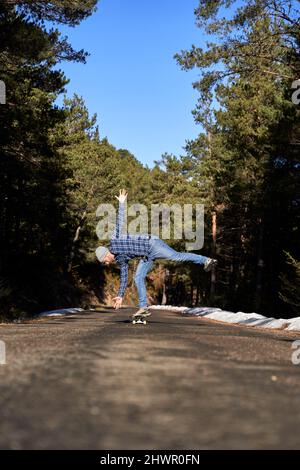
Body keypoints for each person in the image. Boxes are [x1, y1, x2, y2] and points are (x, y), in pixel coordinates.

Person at [96, 189, 217, 318]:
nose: (108, 263)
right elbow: (124, 276)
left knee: (176, 257)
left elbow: (120, 222)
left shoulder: (115, 241)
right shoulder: (120, 260)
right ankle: (143, 308)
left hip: (152, 244)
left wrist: (122, 203)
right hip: (146, 257)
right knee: (138, 277)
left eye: (105, 261)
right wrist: (120, 295)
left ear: (105, 255)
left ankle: (206, 260)